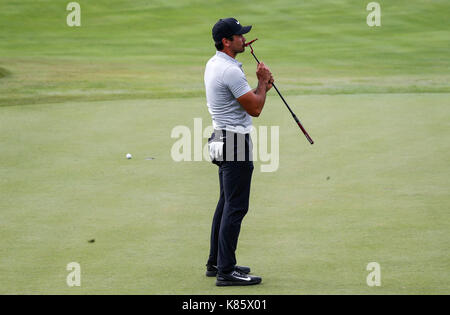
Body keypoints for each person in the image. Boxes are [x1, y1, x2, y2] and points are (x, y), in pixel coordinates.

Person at [203, 18, 274, 286]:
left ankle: (216, 263)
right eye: (239, 36)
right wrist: (263, 81)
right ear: (226, 41)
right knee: (235, 207)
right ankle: (226, 271)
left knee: (225, 204)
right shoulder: (230, 71)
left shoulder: (215, 64)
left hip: (220, 137)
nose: (244, 39)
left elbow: (251, 99)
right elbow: (255, 109)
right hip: (234, 142)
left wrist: (261, 88)